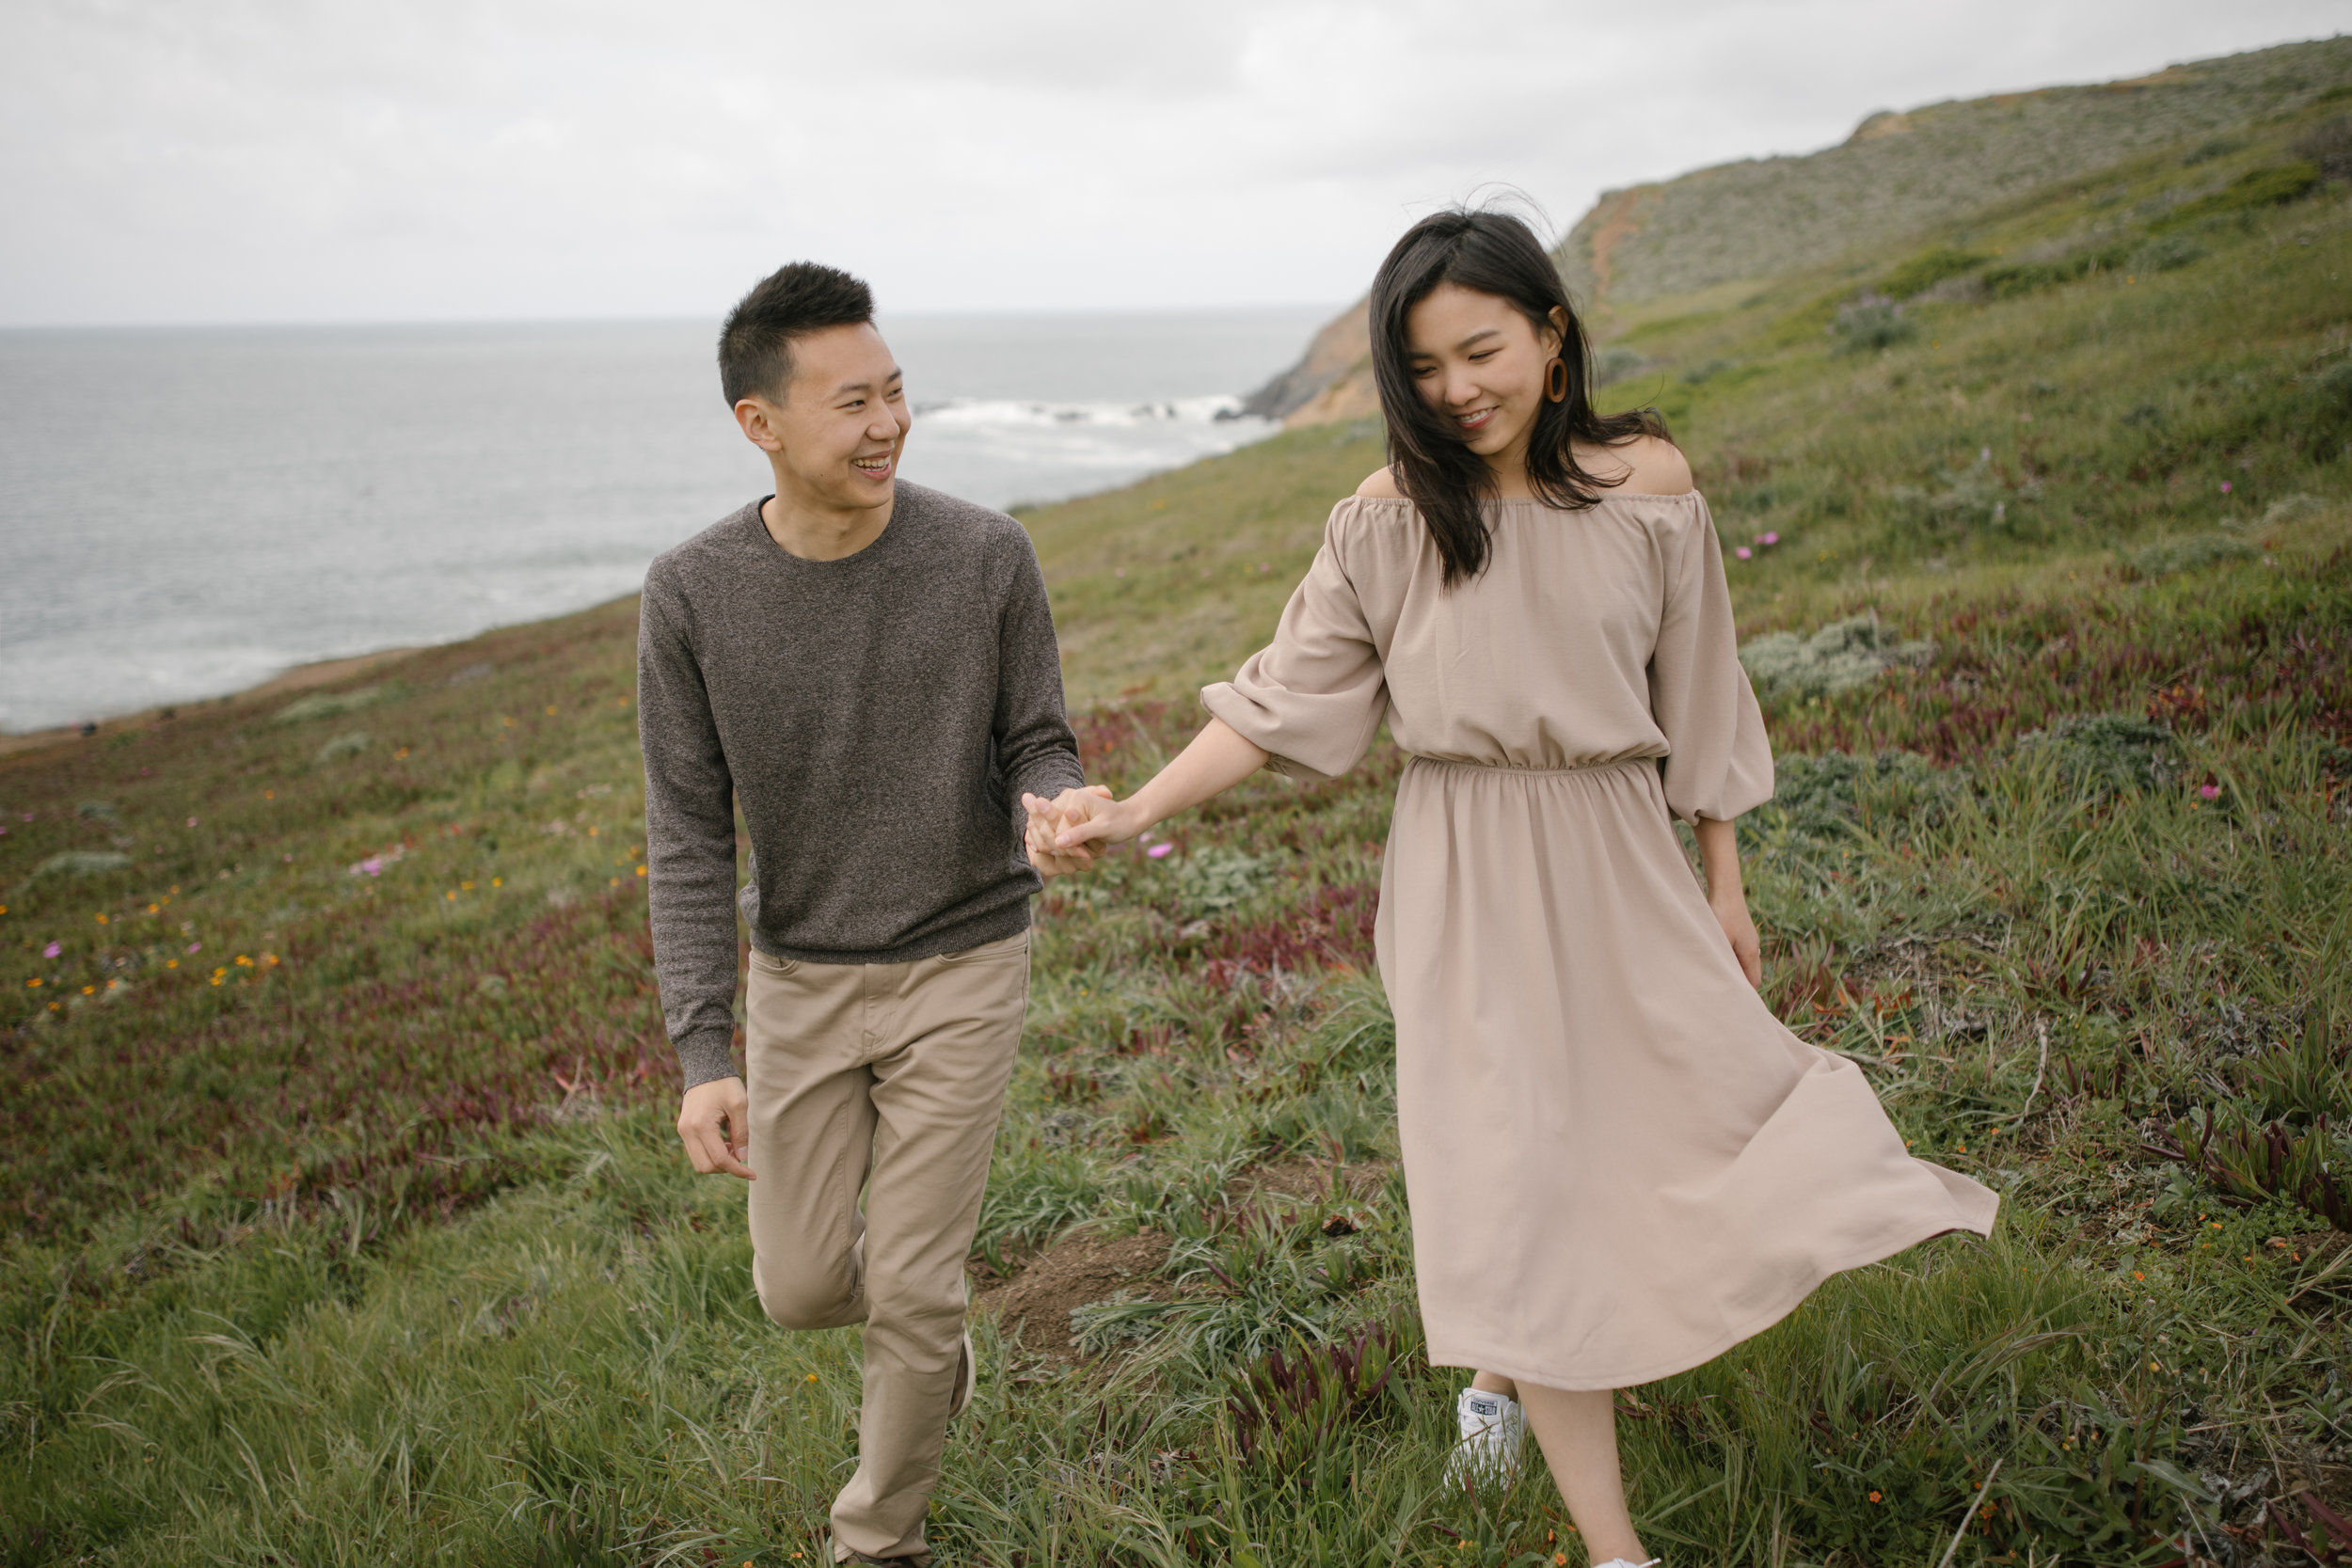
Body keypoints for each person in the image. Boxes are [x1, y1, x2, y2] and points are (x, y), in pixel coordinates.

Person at [1027, 210, 1997, 1566]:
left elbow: (1701, 690)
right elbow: (1273, 705)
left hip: (1620, 857)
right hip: (1464, 871)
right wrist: (1131, 807)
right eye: (1421, 368)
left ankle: (1496, 1370)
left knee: (1664, 1131)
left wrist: (1726, 879)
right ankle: (1616, 1552)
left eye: (1479, 350)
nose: (1455, 390)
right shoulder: (1386, 519)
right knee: (1516, 1171)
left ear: (1551, 336)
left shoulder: (1647, 484)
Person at [639, 261, 1097, 1568]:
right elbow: (685, 833)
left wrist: (1048, 803)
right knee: (798, 1288)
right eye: (853, 403)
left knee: (910, 1282)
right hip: (798, 980)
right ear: (760, 423)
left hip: (965, 956)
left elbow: (1040, 739)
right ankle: (926, 1352)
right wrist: (702, 1053)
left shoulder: (985, 554)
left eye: (897, 392)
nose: (888, 424)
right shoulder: (690, 594)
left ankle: (873, 1538)